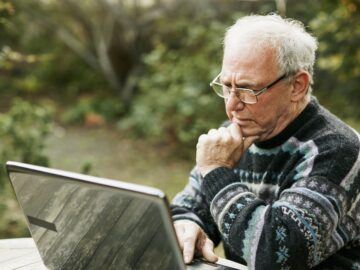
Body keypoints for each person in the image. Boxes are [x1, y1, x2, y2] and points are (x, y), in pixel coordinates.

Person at [170, 14, 360, 270]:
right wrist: (187, 226)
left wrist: (216, 172)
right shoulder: (233, 136)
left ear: (297, 86)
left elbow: (276, 255)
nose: (232, 105)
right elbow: (187, 208)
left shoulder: (337, 149)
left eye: (248, 90)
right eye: (227, 86)